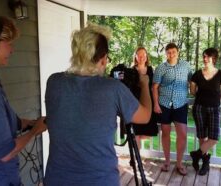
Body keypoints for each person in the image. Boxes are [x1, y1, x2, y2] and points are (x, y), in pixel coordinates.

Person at [44, 23, 152, 186]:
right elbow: (145, 116)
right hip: (99, 180)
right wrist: (144, 86)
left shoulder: (54, 82)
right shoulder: (112, 88)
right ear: (102, 59)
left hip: (56, 179)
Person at [0, 10, 47, 185]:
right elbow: (5, 153)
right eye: (8, 43)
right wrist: (34, 131)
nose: (12, 49)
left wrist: (30, 122)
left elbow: (2, 122)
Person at [152, 43, 192, 175]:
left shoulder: (186, 66)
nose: (171, 54)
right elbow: (155, 87)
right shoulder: (161, 68)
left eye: (173, 51)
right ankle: (167, 162)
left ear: (178, 51)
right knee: (166, 133)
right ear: (166, 53)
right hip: (164, 104)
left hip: (180, 104)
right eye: (169, 52)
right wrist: (156, 104)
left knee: (183, 134)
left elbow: (193, 82)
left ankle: (179, 163)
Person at [189, 48, 221, 175]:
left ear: (214, 58)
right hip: (199, 108)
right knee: (202, 136)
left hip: (215, 108)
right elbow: (193, 91)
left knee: (214, 138)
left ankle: (196, 155)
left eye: (208, 57)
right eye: (204, 56)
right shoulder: (197, 74)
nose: (205, 59)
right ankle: (205, 164)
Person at [131, 46, 158, 149]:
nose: (142, 57)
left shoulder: (151, 70)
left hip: (148, 104)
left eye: (144, 55)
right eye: (139, 55)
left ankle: (137, 140)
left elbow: (154, 87)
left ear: (146, 57)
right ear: (136, 57)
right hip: (135, 104)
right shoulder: (132, 70)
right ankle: (138, 160)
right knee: (136, 132)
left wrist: (156, 103)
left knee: (149, 132)